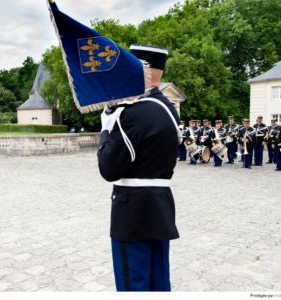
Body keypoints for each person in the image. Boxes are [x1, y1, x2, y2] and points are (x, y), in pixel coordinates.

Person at [98, 45, 180, 291]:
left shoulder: (133, 113)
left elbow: (108, 169)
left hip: (133, 210)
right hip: (159, 205)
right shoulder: (168, 109)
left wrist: (105, 128)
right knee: (158, 282)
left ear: (140, 70)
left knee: (133, 284)